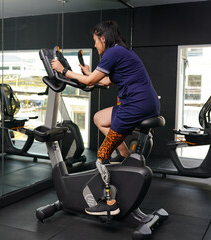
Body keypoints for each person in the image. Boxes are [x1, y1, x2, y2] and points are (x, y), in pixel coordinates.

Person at [51, 20, 160, 216]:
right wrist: (87, 73)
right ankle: (126, 158)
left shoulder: (112, 52)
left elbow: (91, 81)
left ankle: (110, 202)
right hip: (145, 102)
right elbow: (107, 81)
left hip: (135, 106)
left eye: (95, 41)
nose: (94, 45)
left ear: (103, 38)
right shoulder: (123, 51)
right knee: (99, 118)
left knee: (101, 158)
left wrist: (64, 71)